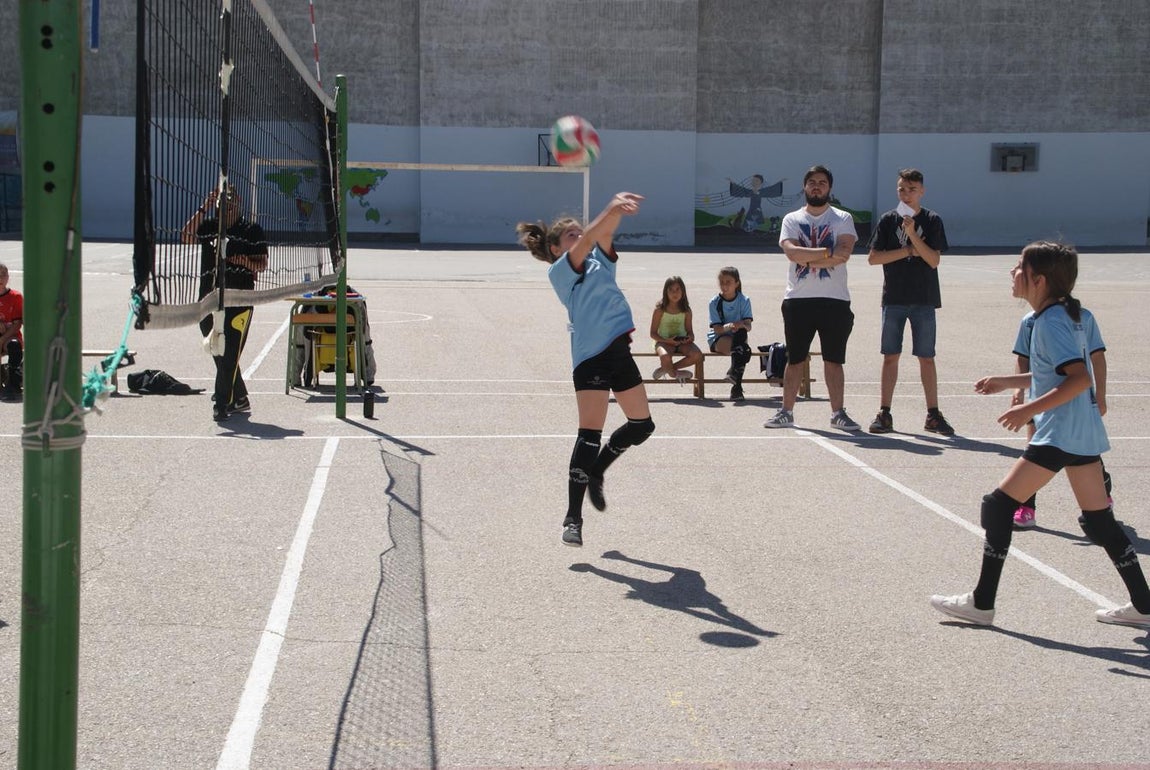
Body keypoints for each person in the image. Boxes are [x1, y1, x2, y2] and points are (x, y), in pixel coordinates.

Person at [931, 241, 1150, 629]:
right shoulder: (1063, 316)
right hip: (1081, 430)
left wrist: (1027, 409)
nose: (1013, 273)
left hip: (1060, 431)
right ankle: (1145, 605)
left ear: (1039, 280)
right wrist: (1007, 382)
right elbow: (1056, 374)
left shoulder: (1048, 322)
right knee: (1100, 523)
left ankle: (981, 603)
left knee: (997, 507)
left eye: (1019, 267)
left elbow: (1079, 378)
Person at [516, 192, 656, 548]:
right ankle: (572, 518)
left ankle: (598, 469)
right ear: (556, 249)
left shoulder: (600, 262)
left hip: (619, 352)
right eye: (571, 236)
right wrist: (609, 207)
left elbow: (603, 234)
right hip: (591, 357)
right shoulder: (560, 271)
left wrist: (617, 213)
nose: (580, 238)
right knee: (590, 434)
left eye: (580, 233)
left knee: (643, 426)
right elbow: (595, 233)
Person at [765, 165, 860, 430]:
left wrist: (810, 256)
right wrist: (827, 253)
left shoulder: (842, 218)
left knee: (834, 359)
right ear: (805, 187)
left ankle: (838, 413)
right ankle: (786, 411)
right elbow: (792, 254)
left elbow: (844, 254)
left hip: (835, 301)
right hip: (798, 300)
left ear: (830, 188)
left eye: (822, 182)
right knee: (795, 359)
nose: (817, 186)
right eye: (812, 182)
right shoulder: (792, 219)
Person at [1009, 298, 1113, 529]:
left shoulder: (1084, 317)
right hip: (1042, 399)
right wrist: (1018, 391)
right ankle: (1026, 507)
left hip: (1077, 400)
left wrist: (1101, 396)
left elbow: (1097, 357)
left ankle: (1100, 494)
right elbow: (1022, 358)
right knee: (1033, 451)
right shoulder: (1030, 321)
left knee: (1082, 450)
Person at [865, 168, 954, 436]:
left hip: (924, 299)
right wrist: (906, 250)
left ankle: (933, 414)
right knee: (890, 355)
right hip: (894, 298)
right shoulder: (887, 220)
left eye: (912, 189)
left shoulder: (932, 219)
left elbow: (933, 260)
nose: (906, 193)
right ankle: (885, 412)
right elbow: (874, 258)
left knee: (926, 357)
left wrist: (913, 234)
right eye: (902, 189)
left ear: (922, 191)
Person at [181, 184, 268, 421]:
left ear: (238, 203)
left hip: (240, 300)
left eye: (230, 206)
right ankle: (239, 396)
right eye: (222, 207)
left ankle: (222, 403)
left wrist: (245, 262)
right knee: (215, 348)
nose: (226, 210)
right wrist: (204, 207)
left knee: (229, 353)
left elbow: (262, 264)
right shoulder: (209, 227)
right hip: (208, 301)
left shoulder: (252, 230)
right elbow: (186, 237)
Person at [706, 267, 754, 401]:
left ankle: (733, 377)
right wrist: (730, 326)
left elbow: (748, 326)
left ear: (737, 283)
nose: (724, 285)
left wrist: (741, 325)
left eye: (728, 282)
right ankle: (736, 387)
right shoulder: (715, 302)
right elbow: (717, 329)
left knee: (741, 341)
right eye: (722, 282)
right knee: (744, 351)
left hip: (738, 337)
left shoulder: (744, 300)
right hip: (719, 338)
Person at [649, 276, 703, 383]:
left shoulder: (686, 310)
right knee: (665, 356)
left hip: (681, 342)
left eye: (678, 289)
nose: (675, 293)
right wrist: (666, 340)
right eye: (671, 290)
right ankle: (674, 374)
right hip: (663, 341)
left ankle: (667, 368)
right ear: (666, 292)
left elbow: (690, 331)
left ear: (683, 291)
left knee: (697, 355)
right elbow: (653, 333)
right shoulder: (660, 310)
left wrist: (690, 338)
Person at [0, 262, 23, 401]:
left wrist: (2, 339)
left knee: (14, 346)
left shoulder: (15, 296)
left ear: (8, 277)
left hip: (10, 335)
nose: (0, 279)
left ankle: (13, 384)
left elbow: (17, 323)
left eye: (3, 275)